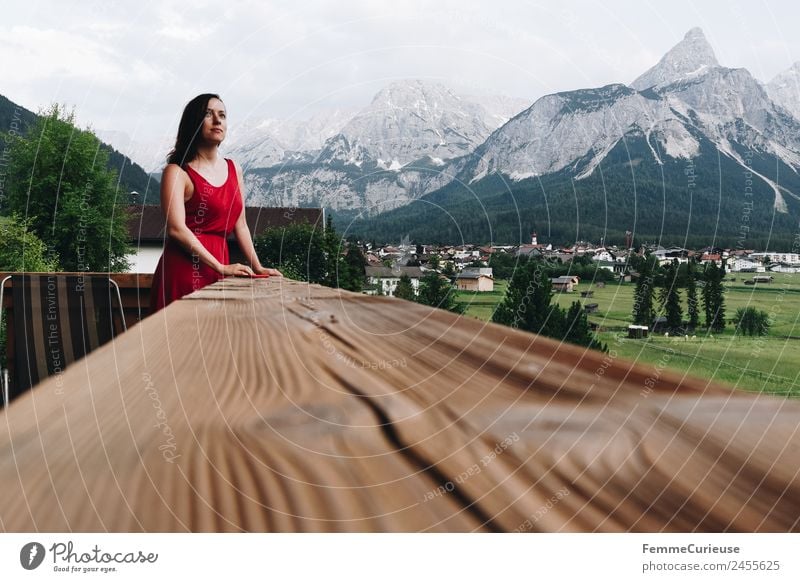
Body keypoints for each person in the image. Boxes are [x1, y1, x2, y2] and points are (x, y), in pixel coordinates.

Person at [150, 93, 281, 313]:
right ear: (194, 122)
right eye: (208, 115)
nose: (217, 120)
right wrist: (220, 266)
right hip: (184, 270)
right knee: (181, 341)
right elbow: (176, 229)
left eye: (222, 115)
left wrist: (257, 266)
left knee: (216, 341)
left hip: (221, 268)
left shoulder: (234, 169)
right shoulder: (177, 172)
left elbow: (240, 225)